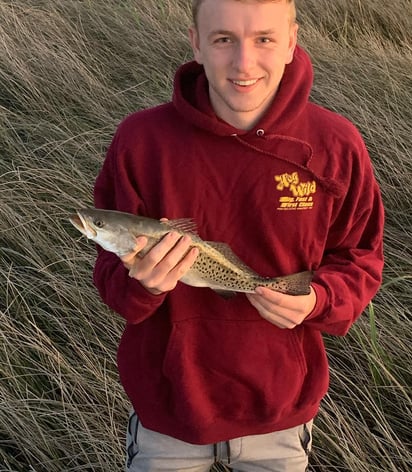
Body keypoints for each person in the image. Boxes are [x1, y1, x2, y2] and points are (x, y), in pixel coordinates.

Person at [92, 0, 384, 470]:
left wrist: (317, 301)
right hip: (169, 410)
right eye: (223, 39)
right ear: (196, 43)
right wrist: (143, 284)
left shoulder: (336, 144)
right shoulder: (140, 140)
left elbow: (362, 258)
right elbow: (111, 277)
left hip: (281, 411)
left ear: (291, 42)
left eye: (264, 39)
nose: (243, 63)